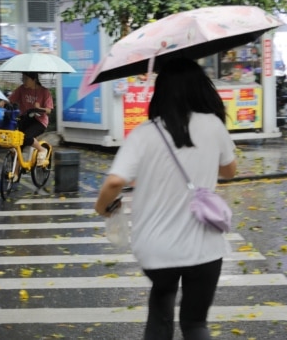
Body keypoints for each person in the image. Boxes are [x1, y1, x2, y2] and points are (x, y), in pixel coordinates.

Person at [94, 58, 237, 340]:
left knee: (161, 309)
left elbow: (114, 181)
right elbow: (230, 171)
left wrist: (102, 207)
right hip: (205, 249)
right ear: (200, 89)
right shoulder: (212, 125)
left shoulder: (144, 134)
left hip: (157, 250)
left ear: (161, 92)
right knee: (196, 324)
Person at [0, 72, 54, 165]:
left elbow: (48, 110)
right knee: (17, 144)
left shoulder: (44, 92)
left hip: (39, 121)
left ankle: (42, 150)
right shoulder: (22, 89)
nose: (23, 81)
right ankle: (15, 174)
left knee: (27, 137)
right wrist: (2, 102)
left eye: (26, 79)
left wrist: (39, 108)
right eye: (22, 79)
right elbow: (11, 99)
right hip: (25, 119)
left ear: (34, 80)